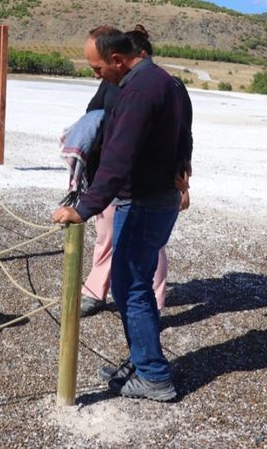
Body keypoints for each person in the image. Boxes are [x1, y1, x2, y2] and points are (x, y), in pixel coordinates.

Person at [52, 26, 190, 402]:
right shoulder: (159, 80)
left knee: (133, 289)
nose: (95, 75)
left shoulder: (140, 91)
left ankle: (154, 376)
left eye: (97, 68)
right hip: (150, 198)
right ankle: (142, 361)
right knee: (133, 286)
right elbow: (181, 136)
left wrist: (81, 209)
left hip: (145, 202)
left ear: (117, 60)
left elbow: (117, 159)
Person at [78, 25, 193, 317]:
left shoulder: (166, 86)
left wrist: (184, 176)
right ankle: (96, 291)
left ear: (134, 56)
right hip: (110, 179)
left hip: (144, 187)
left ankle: (150, 306)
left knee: (148, 250)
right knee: (105, 237)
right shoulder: (111, 83)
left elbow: (183, 133)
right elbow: (92, 116)